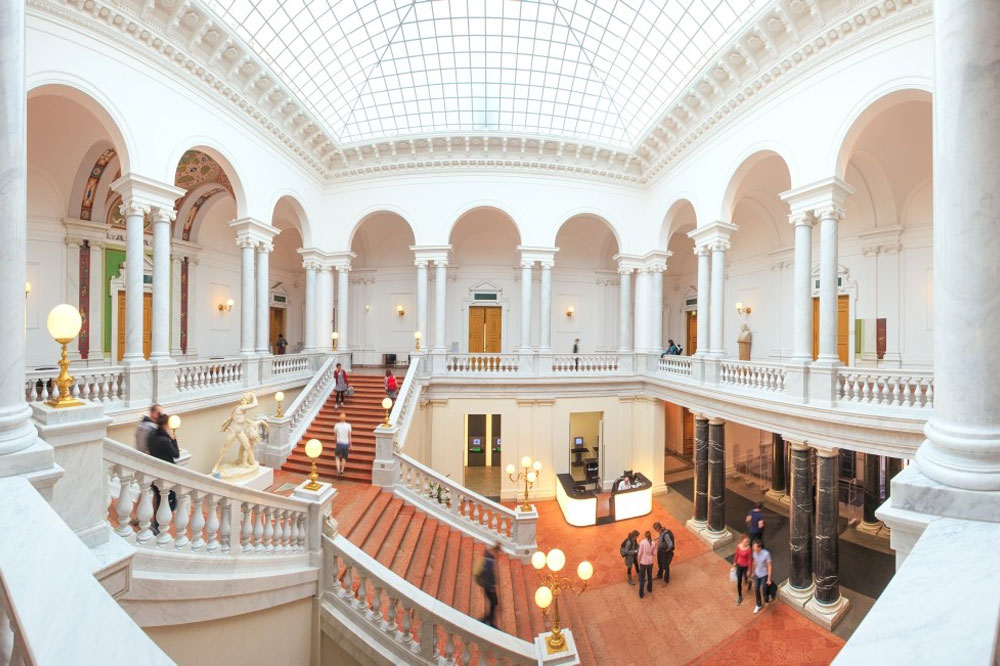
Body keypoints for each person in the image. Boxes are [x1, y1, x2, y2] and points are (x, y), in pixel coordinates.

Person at [148, 413, 179, 535]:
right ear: (166, 425)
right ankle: (158, 525)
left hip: (154, 474)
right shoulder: (165, 441)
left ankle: (156, 524)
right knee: (171, 500)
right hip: (165, 476)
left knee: (159, 499)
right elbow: (176, 454)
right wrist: (174, 439)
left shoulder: (152, 436)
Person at [476, 542, 500, 627]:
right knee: (494, 603)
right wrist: (492, 587)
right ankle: (489, 620)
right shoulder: (490, 562)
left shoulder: (488, 556)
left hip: (486, 585)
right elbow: (489, 575)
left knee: (494, 603)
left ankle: (488, 618)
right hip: (489, 587)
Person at [751, 539, 773, 614]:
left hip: (764, 575)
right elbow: (754, 562)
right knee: (756, 589)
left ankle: (766, 599)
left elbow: (769, 566)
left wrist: (769, 579)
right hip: (757, 574)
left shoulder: (766, 554)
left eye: (754, 547)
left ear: (759, 547)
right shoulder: (754, 552)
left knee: (764, 589)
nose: (753, 548)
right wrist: (753, 572)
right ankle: (758, 605)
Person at [733, 535, 753, 606]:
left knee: (746, 578)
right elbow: (737, 555)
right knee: (739, 582)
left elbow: (750, 560)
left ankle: (749, 582)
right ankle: (740, 596)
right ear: (742, 541)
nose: (746, 543)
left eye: (747, 542)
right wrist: (734, 562)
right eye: (745, 542)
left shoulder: (749, 549)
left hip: (745, 567)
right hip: (739, 566)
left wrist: (749, 570)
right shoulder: (738, 546)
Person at [637, 530, 656, 598]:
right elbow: (654, 553)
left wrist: (638, 560)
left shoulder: (642, 542)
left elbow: (640, 553)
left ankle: (641, 594)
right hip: (650, 562)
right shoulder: (653, 543)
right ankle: (650, 589)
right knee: (650, 576)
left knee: (642, 578)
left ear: (645, 536)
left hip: (643, 562)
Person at [333, 412, 352, 480]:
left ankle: (338, 470)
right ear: (345, 418)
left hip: (339, 443)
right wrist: (351, 445)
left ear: (339, 418)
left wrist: (336, 442)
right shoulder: (348, 425)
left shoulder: (336, 425)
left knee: (337, 457)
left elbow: (335, 436)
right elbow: (349, 436)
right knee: (344, 458)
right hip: (346, 444)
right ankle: (342, 471)